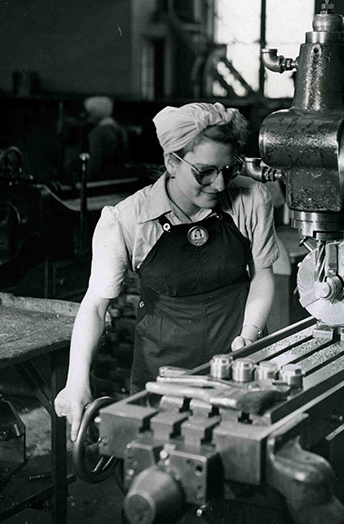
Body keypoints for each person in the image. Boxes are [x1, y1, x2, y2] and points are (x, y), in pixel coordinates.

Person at [55, 102, 278, 441]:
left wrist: (248, 335)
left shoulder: (251, 198)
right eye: (204, 172)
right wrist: (76, 382)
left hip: (239, 365)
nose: (219, 185)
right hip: (162, 374)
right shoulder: (126, 220)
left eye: (227, 169)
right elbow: (96, 306)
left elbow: (262, 273)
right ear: (171, 162)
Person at [82, 95, 129, 181]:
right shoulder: (120, 129)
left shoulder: (97, 133)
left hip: (101, 179)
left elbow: (95, 162)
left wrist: (87, 180)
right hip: (118, 177)